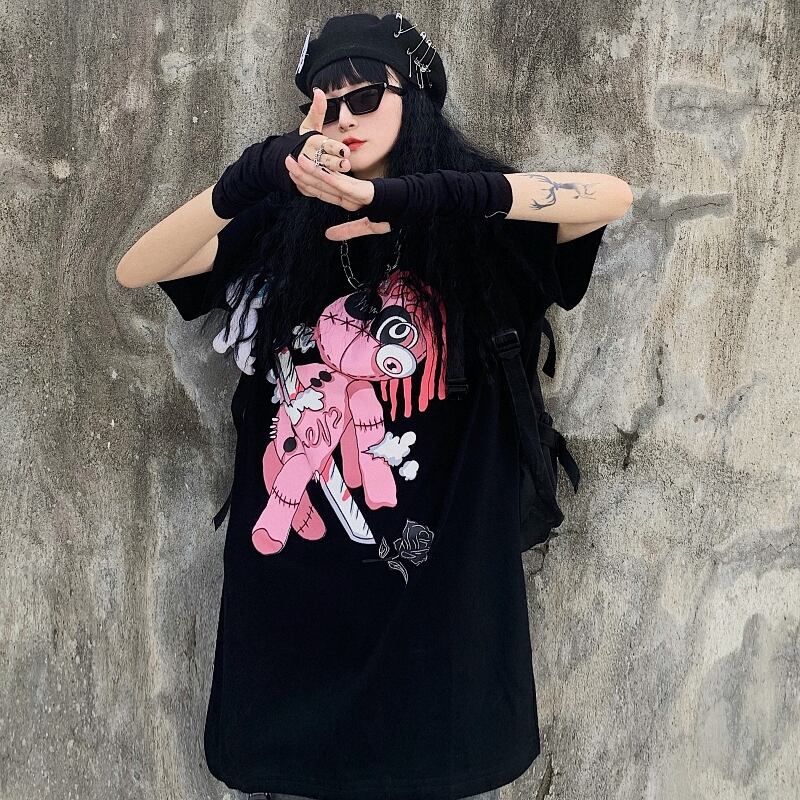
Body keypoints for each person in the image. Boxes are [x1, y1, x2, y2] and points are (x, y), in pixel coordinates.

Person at [116, 11, 632, 800]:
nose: (342, 117)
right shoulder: (282, 225)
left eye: (364, 97)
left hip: (443, 610)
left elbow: (610, 195)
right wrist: (253, 176)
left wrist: (436, 196)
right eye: (322, 103)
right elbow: (139, 267)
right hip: (292, 612)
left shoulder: (478, 224)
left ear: (415, 101)